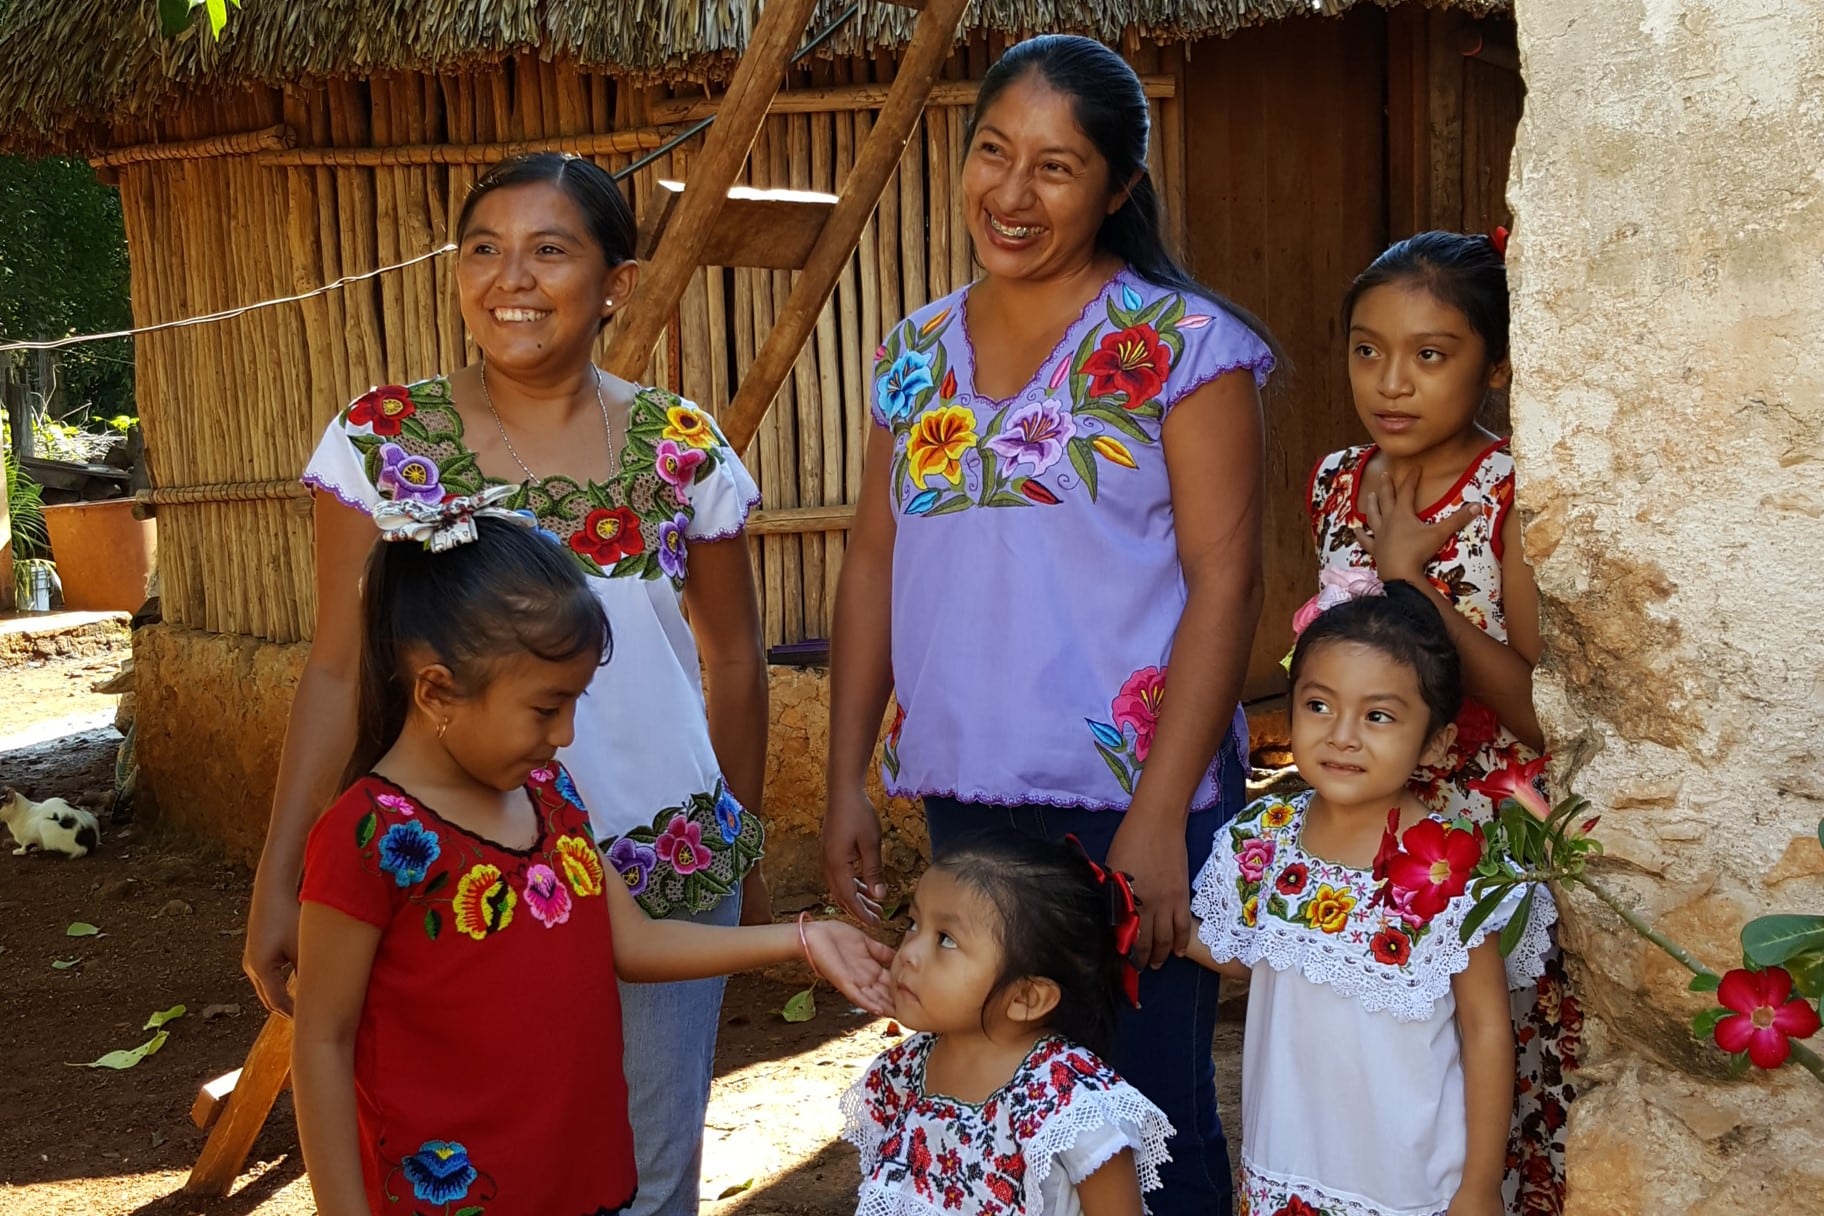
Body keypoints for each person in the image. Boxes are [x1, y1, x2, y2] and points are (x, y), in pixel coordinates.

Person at [252, 151, 771, 1216]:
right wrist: (279, 874)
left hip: (663, 860)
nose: (511, 279)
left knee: (652, 1167)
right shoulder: (383, 440)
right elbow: (338, 665)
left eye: (549, 250)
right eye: (483, 250)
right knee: (474, 1156)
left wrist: (740, 843)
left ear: (616, 284)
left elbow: (731, 659)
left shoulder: (682, 448)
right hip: (446, 874)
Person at [822, 34, 1277, 1214]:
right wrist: (842, 783)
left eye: (1057, 167)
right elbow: (874, 564)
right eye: (992, 153)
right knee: (992, 1096)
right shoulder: (912, 356)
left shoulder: (1183, 349)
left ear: (1119, 187)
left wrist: (1164, 817)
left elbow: (1226, 586)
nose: (1012, 195)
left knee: (1148, 1106)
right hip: (967, 793)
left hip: (1135, 798)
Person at [293, 509, 892, 1216]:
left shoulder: (549, 794)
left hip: (582, 1185)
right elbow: (322, 1043)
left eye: (575, 703)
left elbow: (632, 941)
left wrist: (802, 939)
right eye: (547, 708)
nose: (567, 733)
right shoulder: (368, 838)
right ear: (435, 692)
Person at [1307, 231, 1576, 1213]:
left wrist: (1413, 578)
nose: (1391, 381)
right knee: (1370, 1097)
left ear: (1495, 365)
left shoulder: (1509, 495)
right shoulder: (1336, 482)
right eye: (1367, 348)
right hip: (1360, 839)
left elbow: (1538, 715)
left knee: (1468, 1097)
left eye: (1431, 354)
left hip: (1475, 848)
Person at [1185, 581, 1555, 1216]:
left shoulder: (1452, 870)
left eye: (1378, 715)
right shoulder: (1262, 843)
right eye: (1319, 706)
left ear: (1436, 742)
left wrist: (1478, 1187)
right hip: (1288, 1163)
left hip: (1405, 1179)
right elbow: (1263, 957)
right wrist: (1148, 928)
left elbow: (1487, 1028)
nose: (1343, 736)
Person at [842, 831, 1173, 1216]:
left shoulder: (1068, 1102)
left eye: (946, 940)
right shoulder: (903, 1073)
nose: (909, 953)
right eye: (913, 923)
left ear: (1025, 998)